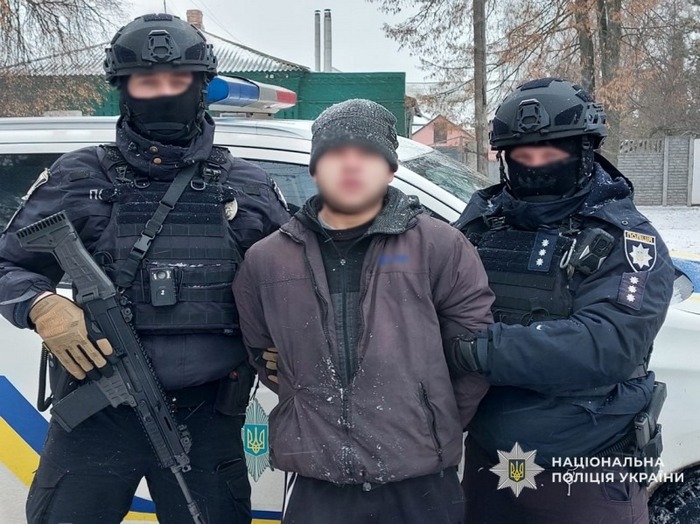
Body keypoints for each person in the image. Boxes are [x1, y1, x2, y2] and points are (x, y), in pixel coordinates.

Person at [0, 13, 289, 524]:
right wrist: (42, 306)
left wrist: (286, 341)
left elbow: (292, 284)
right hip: (97, 413)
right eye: (147, 82)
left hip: (207, 415)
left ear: (201, 86)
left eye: (177, 80)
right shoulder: (78, 176)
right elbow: (8, 263)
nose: (163, 93)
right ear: (123, 89)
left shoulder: (247, 186)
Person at [233, 99, 494, 524]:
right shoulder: (267, 260)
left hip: (420, 480)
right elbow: (266, 356)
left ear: (390, 169)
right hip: (317, 481)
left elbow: (473, 354)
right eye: (336, 153)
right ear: (315, 169)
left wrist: (429, 421)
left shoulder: (440, 246)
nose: (351, 165)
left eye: (367, 154)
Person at [448, 77, 675, 524]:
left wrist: (477, 349)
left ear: (585, 151)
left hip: (585, 469)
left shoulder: (626, 239)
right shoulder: (483, 223)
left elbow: (607, 345)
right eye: (523, 155)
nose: (536, 166)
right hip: (491, 462)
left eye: (551, 153)